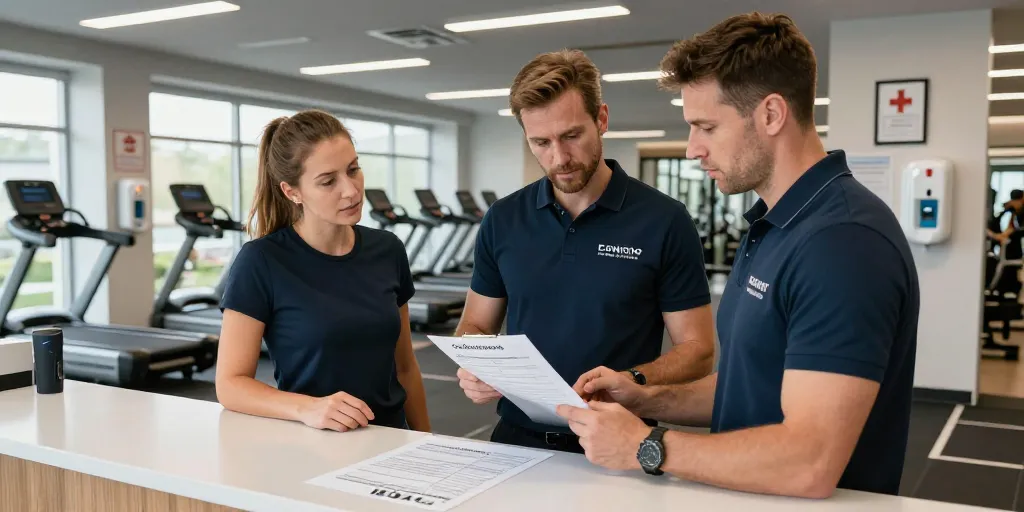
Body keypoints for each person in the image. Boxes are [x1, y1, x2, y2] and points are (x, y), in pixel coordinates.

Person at [555, 12, 920, 499]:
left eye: (706, 126)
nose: (692, 150)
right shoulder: (774, 224)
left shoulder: (842, 241)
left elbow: (810, 461)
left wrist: (647, 446)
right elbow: (748, 384)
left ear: (770, 114)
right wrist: (646, 397)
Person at [455, 49, 715, 453]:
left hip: (618, 440)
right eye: (540, 142)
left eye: (572, 135)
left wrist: (633, 379)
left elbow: (698, 351)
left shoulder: (665, 220)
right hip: (516, 440)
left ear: (602, 119)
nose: (559, 158)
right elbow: (475, 323)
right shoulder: (503, 219)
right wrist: (475, 362)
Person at [215, 109, 430, 433]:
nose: (351, 190)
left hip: (391, 440)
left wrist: (426, 441)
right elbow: (230, 385)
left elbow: (405, 367)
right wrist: (308, 408)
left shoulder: (388, 249)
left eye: (353, 170)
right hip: (313, 441)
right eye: (328, 181)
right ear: (292, 192)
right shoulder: (262, 261)